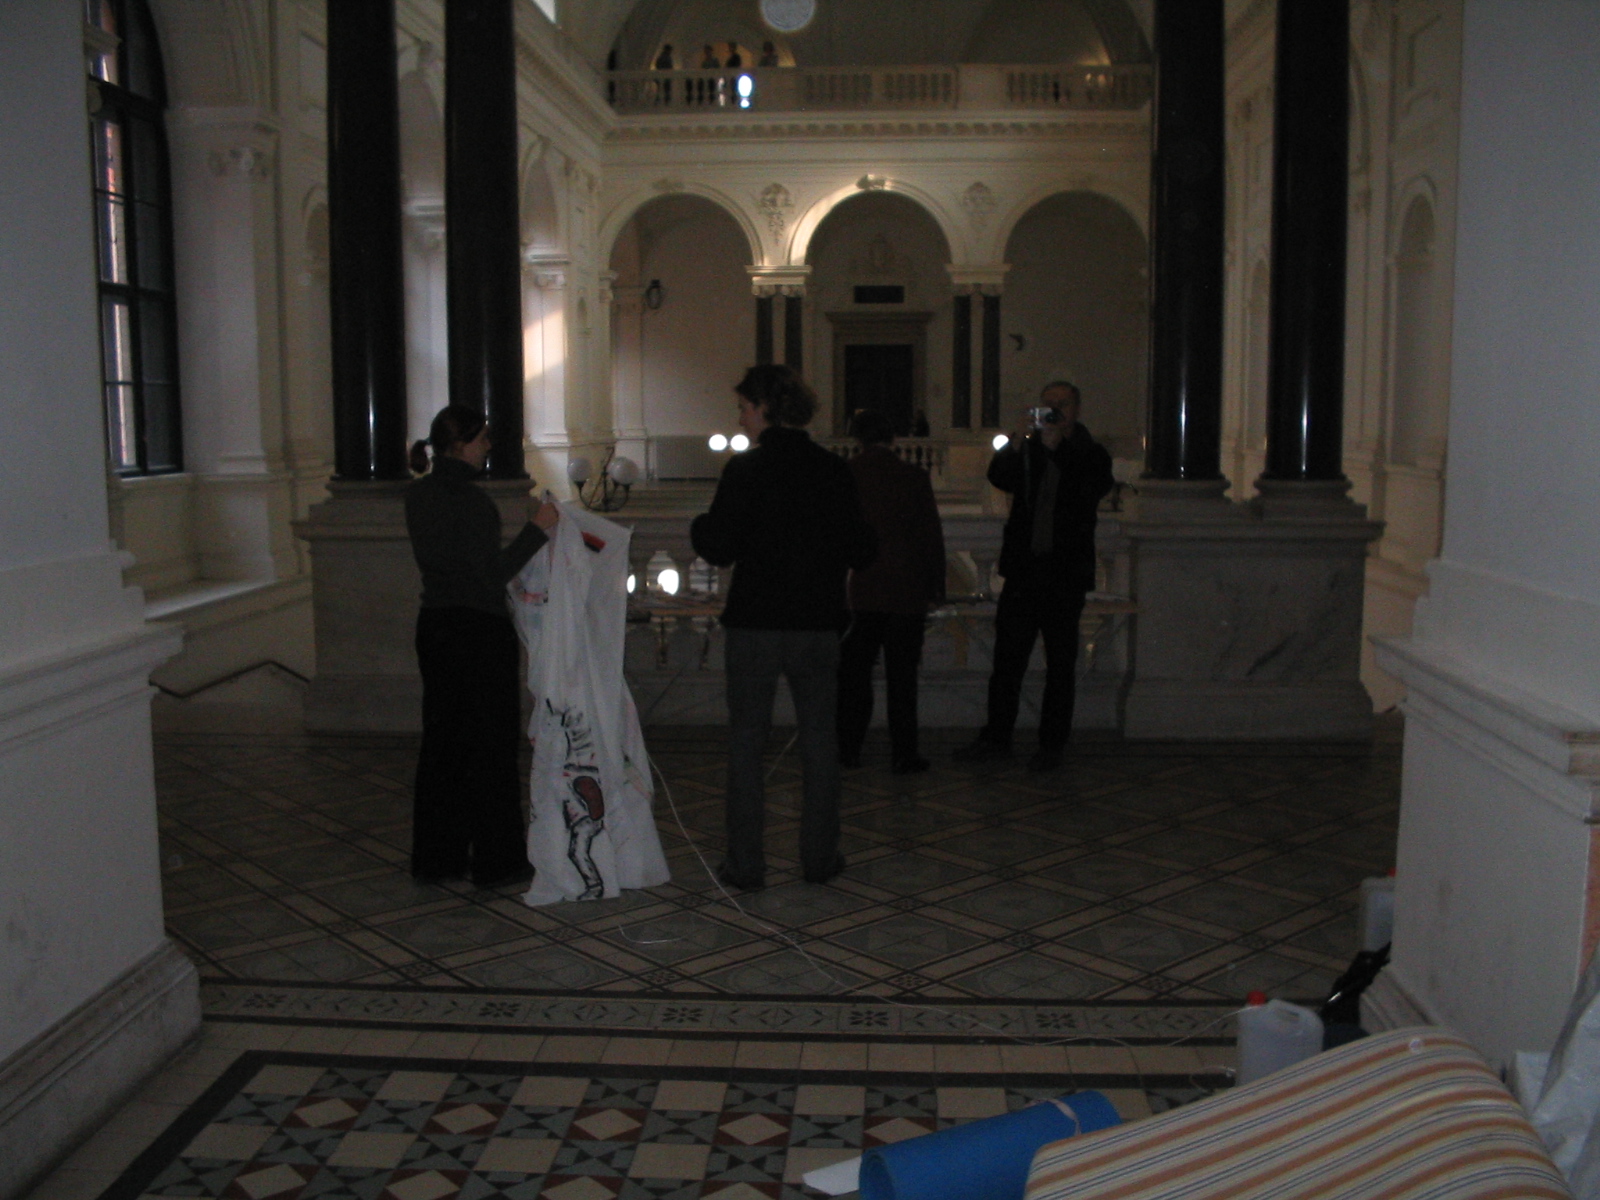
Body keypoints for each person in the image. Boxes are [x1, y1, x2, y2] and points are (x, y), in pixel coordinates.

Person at [690, 366, 875, 890]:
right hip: (816, 624)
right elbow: (863, 548)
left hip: (755, 624)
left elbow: (718, 547)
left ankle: (746, 865)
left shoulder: (745, 470)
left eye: (744, 407)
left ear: (766, 408)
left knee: (747, 745)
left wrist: (699, 526)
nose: (740, 418)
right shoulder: (832, 470)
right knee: (819, 742)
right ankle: (819, 857)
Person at [405, 405, 560, 888]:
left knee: (443, 745)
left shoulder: (418, 495)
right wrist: (539, 529)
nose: (489, 447)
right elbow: (489, 575)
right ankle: (497, 860)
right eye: (483, 438)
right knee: (490, 747)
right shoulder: (471, 502)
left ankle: (438, 858)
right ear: (461, 444)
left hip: (436, 626)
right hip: (478, 632)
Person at [953, 382, 1113, 773]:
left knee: (1060, 666)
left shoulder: (1092, 453)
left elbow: (1089, 489)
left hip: (1065, 575)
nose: (1055, 410)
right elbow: (999, 476)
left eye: (1063, 404)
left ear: (1077, 409)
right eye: (1048, 404)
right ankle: (997, 737)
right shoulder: (1028, 448)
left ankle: (1052, 745)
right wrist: (1017, 443)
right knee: (1007, 662)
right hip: (1024, 573)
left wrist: (1058, 448)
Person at [837, 408, 945, 774]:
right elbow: (930, 536)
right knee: (903, 679)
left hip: (861, 590)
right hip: (906, 590)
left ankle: (849, 749)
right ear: (893, 438)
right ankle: (904, 753)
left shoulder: (847, 474)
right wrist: (936, 587)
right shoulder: (913, 476)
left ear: (857, 438)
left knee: (854, 677)